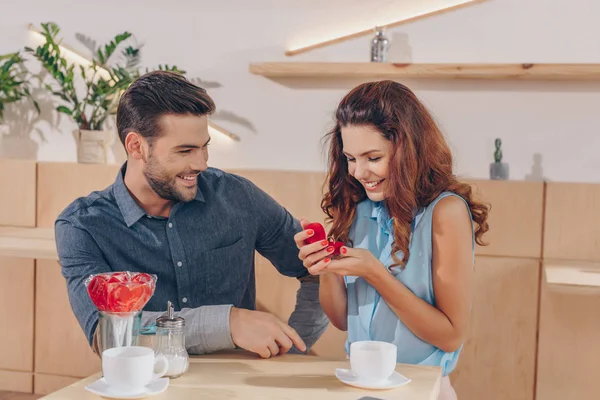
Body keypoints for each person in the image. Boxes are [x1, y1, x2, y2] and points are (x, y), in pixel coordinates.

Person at [55, 70, 328, 359]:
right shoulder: (82, 226)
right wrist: (227, 323)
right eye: (185, 151)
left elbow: (318, 272)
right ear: (136, 146)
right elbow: (107, 336)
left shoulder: (237, 197)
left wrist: (295, 351)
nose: (200, 163)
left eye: (204, 147)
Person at [294, 80, 489, 399]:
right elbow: (342, 320)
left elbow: (450, 336)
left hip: (421, 389)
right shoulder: (358, 209)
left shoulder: (445, 212)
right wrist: (327, 268)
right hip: (359, 386)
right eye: (351, 158)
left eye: (373, 157)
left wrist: (375, 273)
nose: (358, 172)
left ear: (408, 148)